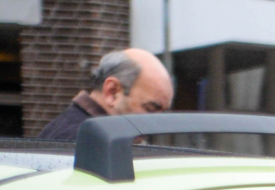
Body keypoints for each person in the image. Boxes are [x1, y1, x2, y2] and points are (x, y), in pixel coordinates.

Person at [37, 48, 174, 143]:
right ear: (112, 91)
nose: (156, 124)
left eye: (162, 113)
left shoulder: (76, 132)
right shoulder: (86, 141)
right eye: (150, 109)